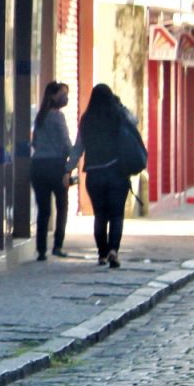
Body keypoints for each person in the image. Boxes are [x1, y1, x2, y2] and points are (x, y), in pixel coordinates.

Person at [69, 83, 135, 269]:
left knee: (100, 216)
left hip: (94, 175)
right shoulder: (117, 116)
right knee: (116, 215)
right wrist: (120, 106)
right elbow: (134, 121)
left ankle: (102, 254)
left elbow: (78, 147)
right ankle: (114, 249)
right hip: (116, 173)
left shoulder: (87, 119)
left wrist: (68, 168)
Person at [30, 81, 75, 261]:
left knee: (43, 210)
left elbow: (34, 143)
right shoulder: (58, 116)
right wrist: (72, 160)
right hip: (56, 166)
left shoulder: (40, 116)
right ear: (53, 95)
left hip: (38, 166)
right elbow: (65, 142)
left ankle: (41, 249)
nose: (66, 98)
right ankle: (57, 245)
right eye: (63, 94)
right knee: (62, 206)